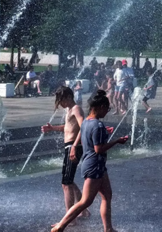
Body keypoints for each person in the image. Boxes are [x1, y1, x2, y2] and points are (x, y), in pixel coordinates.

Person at [50, 90, 129, 232]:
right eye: (107, 108)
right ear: (99, 107)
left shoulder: (87, 122)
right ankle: (61, 226)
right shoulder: (97, 125)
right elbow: (99, 149)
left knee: (107, 195)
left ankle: (108, 229)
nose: (107, 112)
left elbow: (86, 135)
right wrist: (117, 141)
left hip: (94, 164)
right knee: (85, 201)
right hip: (95, 164)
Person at [41, 87, 90, 222]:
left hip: (73, 146)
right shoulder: (70, 110)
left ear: (69, 97)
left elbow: (84, 126)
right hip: (70, 146)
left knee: (66, 183)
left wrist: (74, 146)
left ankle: (69, 218)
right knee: (69, 181)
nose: (60, 104)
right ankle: (83, 210)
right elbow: (68, 127)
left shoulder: (76, 109)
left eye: (61, 100)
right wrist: (52, 129)